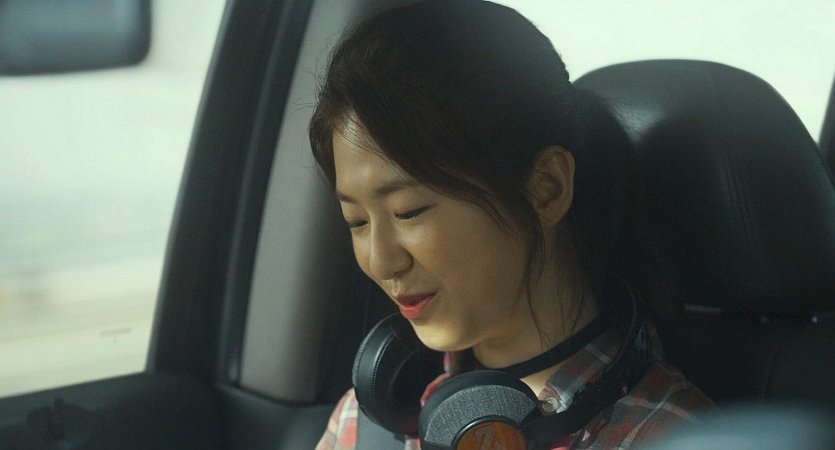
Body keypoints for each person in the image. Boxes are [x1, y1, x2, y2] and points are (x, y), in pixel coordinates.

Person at [310, 1, 712, 448]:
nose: (381, 261)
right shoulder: (361, 426)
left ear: (546, 189)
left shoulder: (675, 439)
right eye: (357, 221)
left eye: (408, 211)